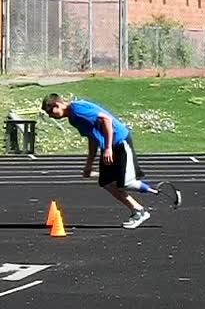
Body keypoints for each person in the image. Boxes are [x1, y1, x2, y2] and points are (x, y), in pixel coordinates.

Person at [41, 93, 160, 229]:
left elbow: (106, 119)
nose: (50, 116)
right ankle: (138, 210)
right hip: (108, 146)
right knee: (107, 182)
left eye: (50, 112)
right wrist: (89, 165)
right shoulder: (73, 118)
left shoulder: (77, 110)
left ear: (57, 105)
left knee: (126, 183)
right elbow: (92, 138)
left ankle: (154, 191)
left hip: (120, 142)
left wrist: (108, 147)